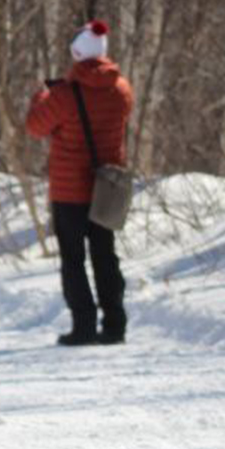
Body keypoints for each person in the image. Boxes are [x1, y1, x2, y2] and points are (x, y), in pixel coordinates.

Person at [26, 20, 132, 345]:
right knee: (105, 255)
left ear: (77, 52)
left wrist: (42, 96)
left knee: (73, 259)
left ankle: (83, 325)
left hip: (70, 189)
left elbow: (35, 126)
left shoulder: (64, 95)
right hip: (107, 187)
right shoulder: (121, 89)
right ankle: (114, 324)